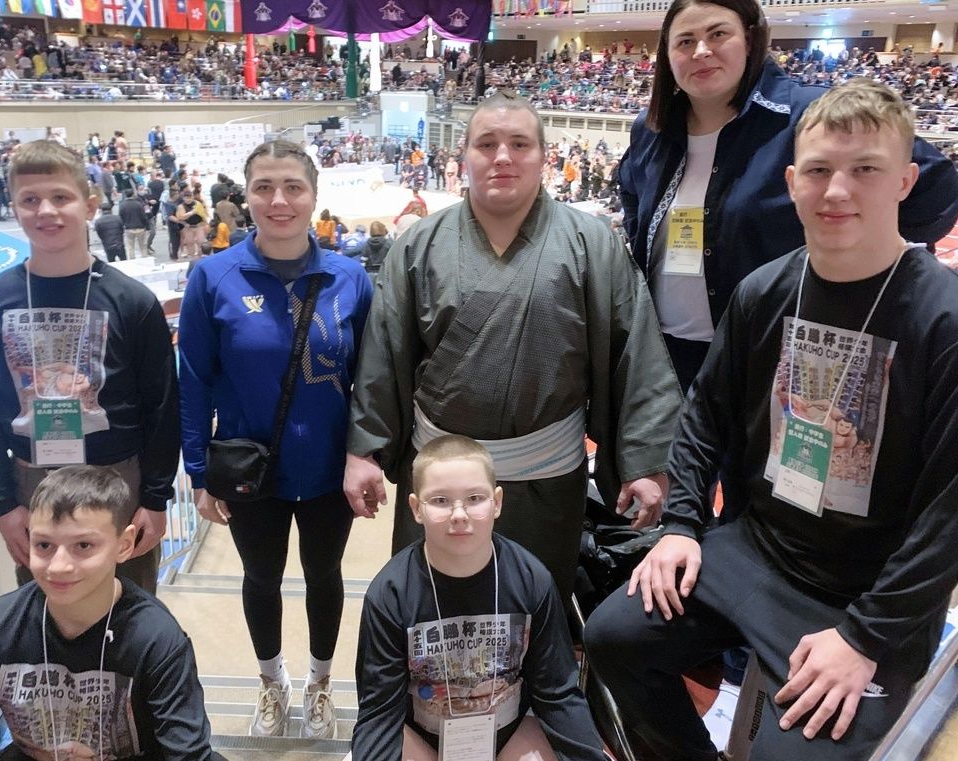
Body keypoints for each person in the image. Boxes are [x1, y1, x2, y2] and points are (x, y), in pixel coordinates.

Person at [584, 79, 958, 761]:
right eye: (818, 170)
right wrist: (681, 526)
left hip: (870, 595)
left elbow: (948, 517)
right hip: (759, 553)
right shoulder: (765, 291)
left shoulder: (944, 318)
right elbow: (704, 419)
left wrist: (866, 637)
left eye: (865, 169)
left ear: (905, 180)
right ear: (792, 181)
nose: (836, 190)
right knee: (614, 635)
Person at [345, 91, 681, 606]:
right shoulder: (419, 244)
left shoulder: (592, 242)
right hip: (440, 477)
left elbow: (634, 351)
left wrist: (647, 458)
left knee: (537, 610)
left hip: (547, 476)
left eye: (519, 143)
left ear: (544, 156)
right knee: (434, 611)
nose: (503, 156)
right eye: (487, 144)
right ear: (465, 158)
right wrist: (365, 449)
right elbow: (382, 353)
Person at [619, 0, 958, 397]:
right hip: (665, 354)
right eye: (685, 41)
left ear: (749, 39)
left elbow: (935, 187)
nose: (701, 52)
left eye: (717, 34)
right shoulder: (652, 128)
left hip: (778, 352)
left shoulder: (808, 116)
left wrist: (859, 269)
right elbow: (631, 197)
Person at [178, 139, 374, 740]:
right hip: (247, 470)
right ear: (247, 196)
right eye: (264, 187)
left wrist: (365, 457)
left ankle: (319, 682)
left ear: (314, 196)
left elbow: (371, 378)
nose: (279, 200)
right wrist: (197, 470)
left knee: (325, 577)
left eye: (293, 187)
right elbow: (194, 380)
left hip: (326, 470)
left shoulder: (351, 278)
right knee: (259, 578)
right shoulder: (214, 277)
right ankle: (271, 683)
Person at [0, 140, 179, 595]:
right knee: (47, 618)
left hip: (118, 479)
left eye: (61, 197)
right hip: (33, 481)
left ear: (90, 204)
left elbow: (162, 408)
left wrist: (155, 498)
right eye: (30, 200)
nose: (46, 211)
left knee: (129, 614)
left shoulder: (132, 302)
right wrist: (2, 504)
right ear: (14, 207)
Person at [0, 465, 220, 760]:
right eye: (44, 545)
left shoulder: (156, 638)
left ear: (123, 545)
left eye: (83, 545)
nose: (59, 566)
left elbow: (187, 753)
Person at [353, 435, 609, 761]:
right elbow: (379, 712)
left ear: (497, 502)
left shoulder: (531, 580)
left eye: (475, 498)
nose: (459, 514)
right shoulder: (389, 595)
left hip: (510, 733)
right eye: (441, 501)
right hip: (420, 737)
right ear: (416, 509)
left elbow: (557, 693)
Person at [175, 187, 207, 258]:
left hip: (198, 226)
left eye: (190, 198)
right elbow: (180, 218)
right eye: (186, 198)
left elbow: (203, 214)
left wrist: (205, 223)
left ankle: (200, 256)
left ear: (192, 197)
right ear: (183, 198)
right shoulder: (181, 207)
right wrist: (191, 213)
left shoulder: (197, 204)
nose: (188, 199)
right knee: (190, 242)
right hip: (188, 227)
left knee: (201, 242)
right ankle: (193, 257)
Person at [118, 188, 150, 259]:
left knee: (130, 247)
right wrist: (147, 227)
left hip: (129, 228)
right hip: (140, 227)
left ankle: (132, 260)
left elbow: (121, 217)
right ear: (133, 194)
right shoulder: (139, 204)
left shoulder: (122, 205)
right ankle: (145, 259)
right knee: (143, 246)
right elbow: (144, 216)